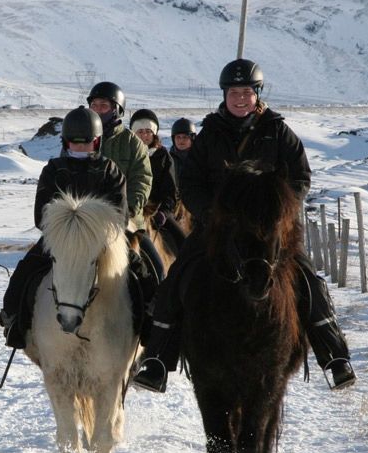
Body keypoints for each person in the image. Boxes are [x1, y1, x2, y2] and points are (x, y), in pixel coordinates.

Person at [132, 58, 356, 393]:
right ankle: (158, 361)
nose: (240, 98)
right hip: (217, 229)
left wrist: (278, 209)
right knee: (176, 278)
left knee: (308, 279)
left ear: (257, 94)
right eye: (234, 92)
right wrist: (211, 213)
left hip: (269, 231)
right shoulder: (210, 134)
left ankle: (334, 357)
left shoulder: (277, 131)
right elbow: (190, 182)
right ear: (224, 95)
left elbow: (300, 177)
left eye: (246, 92)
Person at [0, 106, 127, 348]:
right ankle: (14, 320)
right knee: (26, 270)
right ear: (66, 142)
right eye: (75, 142)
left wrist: (91, 232)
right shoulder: (53, 169)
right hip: (60, 241)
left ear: (97, 142)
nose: (80, 147)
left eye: (86, 142)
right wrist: (67, 229)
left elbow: (119, 218)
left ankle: (151, 324)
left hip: (100, 245)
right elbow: (41, 215)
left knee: (141, 269)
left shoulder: (110, 171)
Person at [86, 82, 163, 288]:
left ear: (117, 109)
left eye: (104, 106)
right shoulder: (80, 138)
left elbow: (142, 179)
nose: (98, 110)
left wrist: (129, 209)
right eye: (94, 105)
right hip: (84, 220)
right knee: (37, 263)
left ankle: (156, 305)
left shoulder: (132, 143)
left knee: (156, 270)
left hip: (124, 222)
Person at [129, 108, 185, 249]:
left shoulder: (163, 156)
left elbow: (170, 190)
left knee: (182, 241)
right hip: (130, 210)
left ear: (154, 133)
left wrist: (164, 212)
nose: (144, 135)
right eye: (140, 131)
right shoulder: (127, 154)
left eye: (148, 131)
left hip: (156, 211)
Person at [169, 117, 197, 181]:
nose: (181, 140)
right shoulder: (168, 160)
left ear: (192, 139)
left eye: (185, 137)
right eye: (178, 137)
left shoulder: (200, 158)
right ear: (173, 139)